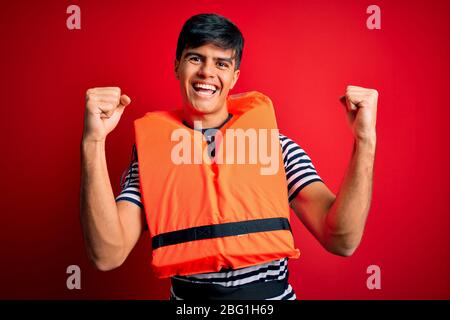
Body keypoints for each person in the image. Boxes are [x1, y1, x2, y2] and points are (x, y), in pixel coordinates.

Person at [80, 13, 378, 300]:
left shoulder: (277, 148)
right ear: (177, 66)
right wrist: (93, 141)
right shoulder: (148, 161)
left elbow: (341, 240)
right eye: (195, 58)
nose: (207, 72)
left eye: (221, 63)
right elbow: (107, 255)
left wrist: (365, 140)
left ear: (234, 77)